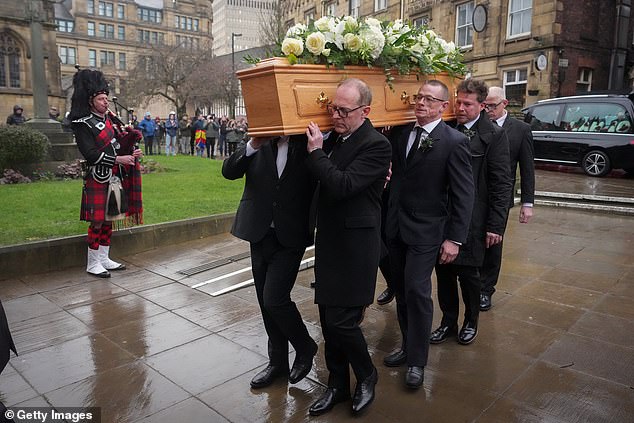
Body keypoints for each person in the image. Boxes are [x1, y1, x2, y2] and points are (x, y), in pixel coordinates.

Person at [304, 78, 391, 416]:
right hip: (330, 242)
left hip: (357, 246)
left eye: (343, 110)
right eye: (333, 108)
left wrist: (316, 153)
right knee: (328, 320)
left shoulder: (377, 145)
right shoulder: (337, 139)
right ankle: (338, 385)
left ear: (365, 111)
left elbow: (343, 185)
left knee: (343, 322)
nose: (335, 115)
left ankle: (367, 374)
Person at [383, 80, 475, 389]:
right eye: (419, 97)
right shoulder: (400, 133)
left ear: (442, 106)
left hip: (427, 231)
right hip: (396, 226)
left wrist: (455, 239)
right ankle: (407, 345)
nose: (420, 102)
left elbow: (464, 194)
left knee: (417, 291)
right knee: (400, 288)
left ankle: (418, 362)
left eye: (429, 99)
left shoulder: (454, 141)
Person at [222, 133, 318, 391]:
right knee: (266, 304)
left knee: (275, 299)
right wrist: (254, 144)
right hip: (259, 231)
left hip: (291, 235)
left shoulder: (306, 142)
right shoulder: (256, 141)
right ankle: (277, 363)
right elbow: (229, 171)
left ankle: (305, 345)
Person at [430, 79, 512, 346]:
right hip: (444, 215)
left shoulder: (495, 136)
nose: (461, 107)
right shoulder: (446, 129)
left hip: (474, 218)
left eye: (467, 104)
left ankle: (471, 321)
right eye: (458, 101)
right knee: (443, 274)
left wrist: (495, 226)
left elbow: (502, 183)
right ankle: (448, 322)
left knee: (468, 275)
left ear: (482, 106)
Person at [68, 69, 143, 278]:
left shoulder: (110, 120)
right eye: (101, 99)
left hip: (115, 176)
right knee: (98, 221)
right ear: (91, 101)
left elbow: (117, 145)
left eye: (106, 98)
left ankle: (104, 258)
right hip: (98, 176)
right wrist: (119, 159)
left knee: (110, 218)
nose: (105, 102)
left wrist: (131, 151)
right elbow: (90, 154)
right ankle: (92, 263)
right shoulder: (82, 124)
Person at [480, 86, 535, 311]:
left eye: (492, 105)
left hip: (500, 197)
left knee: (494, 242)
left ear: (505, 103)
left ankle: (486, 290)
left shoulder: (521, 129)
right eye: (486, 105)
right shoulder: (479, 124)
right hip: (476, 194)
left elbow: (528, 167)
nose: (488, 110)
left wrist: (527, 203)